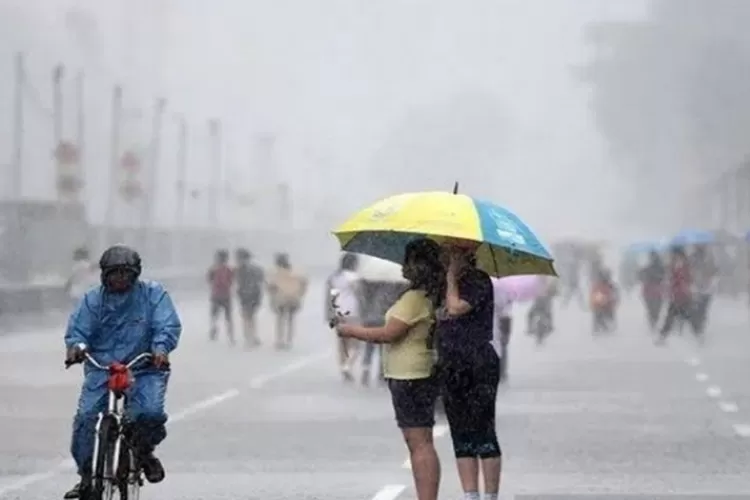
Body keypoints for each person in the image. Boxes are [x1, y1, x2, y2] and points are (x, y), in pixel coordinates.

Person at [63, 245, 181, 499]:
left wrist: (161, 348)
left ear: (135, 274)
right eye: (113, 273)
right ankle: (86, 477)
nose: (119, 279)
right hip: (102, 369)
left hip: (145, 367)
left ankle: (143, 452)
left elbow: (166, 324)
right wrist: (76, 348)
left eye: (125, 273)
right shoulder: (92, 300)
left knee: (149, 414)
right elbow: (78, 330)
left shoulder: (153, 295)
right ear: (104, 275)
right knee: (85, 420)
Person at [336, 238, 443, 500]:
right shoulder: (425, 294)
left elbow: (389, 333)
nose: (403, 266)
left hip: (411, 375)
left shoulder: (415, 299)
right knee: (418, 441)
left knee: (419, 443)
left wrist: (350, 330)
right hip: (413, 373)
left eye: (408, 261)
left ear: (418, 266)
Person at [436, 243, 502, 500]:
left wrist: (451, 277)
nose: (446, 259)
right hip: (451, 362)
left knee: (483, 431)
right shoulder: (443, 283)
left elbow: (455, 308)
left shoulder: (478, 281)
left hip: (478, 362)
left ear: (466, 256)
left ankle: (490, 495)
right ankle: (470, 494)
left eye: (451, 255)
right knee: (460, 432)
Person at [326, 253, 363, 381]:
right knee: (356, 344)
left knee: (342, 343)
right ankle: (348, 365)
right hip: (353, 312)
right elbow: (360, 294)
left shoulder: (335, 277)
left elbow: (331, 296)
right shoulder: (354, 277)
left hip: (338, 311)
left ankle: (342, 366)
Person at [267, 253, 308, 350]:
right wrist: (300, 293)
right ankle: (288, 340)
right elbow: (304, 282)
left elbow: (270, 287)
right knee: (290, 320)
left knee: (280, 319)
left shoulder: (276, 273)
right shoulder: (295, 271)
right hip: (293, 299)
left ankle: (280, 340)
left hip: (281, 299)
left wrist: (272, 297)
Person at [657, 246, 697, 344]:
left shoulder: (683, 265)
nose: (672, 256)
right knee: (683, 316)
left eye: (673, 254)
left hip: (682, 295)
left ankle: (663, 337)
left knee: (676, 316)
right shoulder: (676, 264)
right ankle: (697, 335)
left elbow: (684, 279)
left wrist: (675, 283)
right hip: (678, 294)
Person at [234, 248, 264, 348]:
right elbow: (261, 280)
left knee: (247, 316)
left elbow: (237, 282)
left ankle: (249, 337)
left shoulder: (239, 270)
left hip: (248, 295)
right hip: (252, 295)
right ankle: (252, 336)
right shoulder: (256, 269)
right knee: (250, 317)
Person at [207, 249, 235, 344]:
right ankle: (230, 335)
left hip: (216, 295)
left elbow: (209, 280)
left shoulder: (213, 269)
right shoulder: (229, 269)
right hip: (226, 295)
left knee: (214, 315)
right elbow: (231, 281)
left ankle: (214, 329)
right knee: (228, 317)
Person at [639, 250, 666, 331]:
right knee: (654, 308)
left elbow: (640, 277)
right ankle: (653, 321)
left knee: (652, 309)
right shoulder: (660, 268)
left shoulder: (650, 268)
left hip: (652, 291)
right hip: (655, 291)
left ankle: (653, 321)